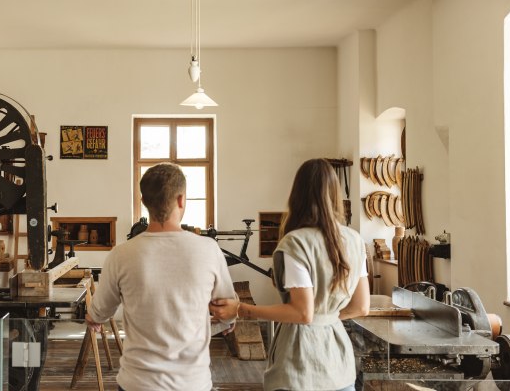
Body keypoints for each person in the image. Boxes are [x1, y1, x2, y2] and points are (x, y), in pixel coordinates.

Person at [209, 158, 369, 391]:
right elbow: (361, 307)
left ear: (297, 195)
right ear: (335, 195)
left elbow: (302, 312)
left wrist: (241, 309)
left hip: (299, 362)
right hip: (338, 364)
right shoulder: (355, 240)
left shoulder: (296, 242)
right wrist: (325, 317)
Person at [86, 162, 237, 391]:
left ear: (144, 201)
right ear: (181, 200)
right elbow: (227, 312)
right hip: (192, 384)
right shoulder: (209, 250)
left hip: (137, 384)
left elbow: (99, 311)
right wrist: (222, 321)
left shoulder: (121, 254)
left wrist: (94, 318)